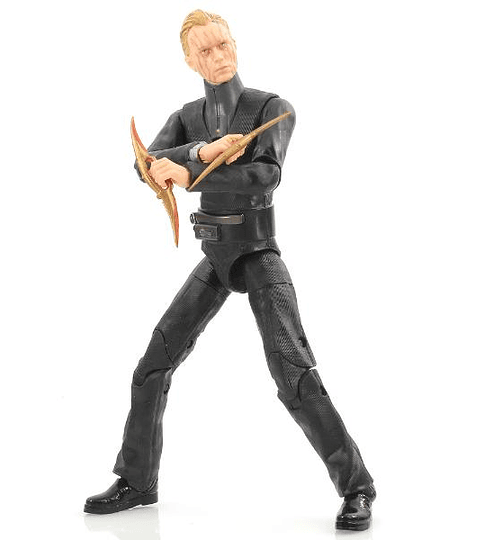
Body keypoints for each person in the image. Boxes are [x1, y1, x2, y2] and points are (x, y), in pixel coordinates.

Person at [84, 9, 376, 532]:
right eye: (206, 50)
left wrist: (189, 172)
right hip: (214, 258)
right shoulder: (188, 117)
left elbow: (265, 174)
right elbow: (145, 163)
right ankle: (138, 479)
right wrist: (199, 151)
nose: (218, 56)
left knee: (293, 373)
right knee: (153, 365)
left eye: (224, 45)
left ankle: (357, 486)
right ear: (189, 60)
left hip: (257, 252)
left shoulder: (272, 108)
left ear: (234, 44)